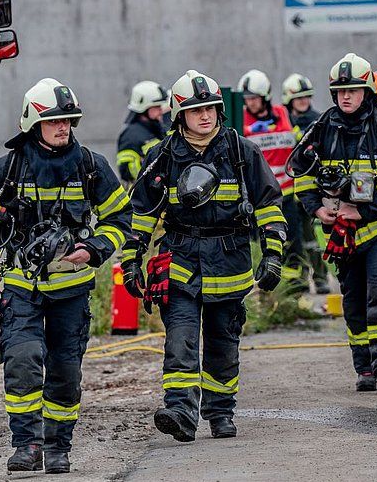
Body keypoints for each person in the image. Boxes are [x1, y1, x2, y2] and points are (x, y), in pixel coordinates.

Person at [0, 78, 132, 473]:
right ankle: (27, 444)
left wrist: (92, 248)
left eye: (69, 120)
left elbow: (120, 219)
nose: (64, 127)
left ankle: (58, 446)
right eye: (55, 120)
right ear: (32, 122)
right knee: (23, 360)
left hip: (72, 291)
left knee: (65, 370)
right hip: (22, 287)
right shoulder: (7, 171)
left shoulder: (91, 167)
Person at [123, 70, 287, 442]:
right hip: (180, 258)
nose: (206, 116)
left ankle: (220, 411)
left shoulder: (241, 152)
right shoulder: (162, 156)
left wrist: (273, 253)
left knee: (222, 343)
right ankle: (180, 411)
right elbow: (143, 214)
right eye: (196, 110)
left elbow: (268, 205)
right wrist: (131, 259)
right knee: (180, 339)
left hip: (230, 261)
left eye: (211, 108)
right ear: (179, 115)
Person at [292, 52, 377, 392]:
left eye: (354, 90)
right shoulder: (321, 129)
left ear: (368, 92)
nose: (346, 96)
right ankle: (364, 369)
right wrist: (316, 208)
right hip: (342, 235)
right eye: (340, 90)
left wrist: (363, 210)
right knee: (354, 301)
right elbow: (301, 174)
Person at [238, 69, 305, 286]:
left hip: (285, 195)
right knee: (260, 244)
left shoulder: (282, 113)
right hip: (257, 198)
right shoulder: (242, 120)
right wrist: (248, 129)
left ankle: (295, 289)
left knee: (293, 243)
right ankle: (266, 292)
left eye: (254, 98)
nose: (251, 103)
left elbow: (295, 142)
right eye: (247, 99)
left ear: (265, 97)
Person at [283, 72, 329, 293]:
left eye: (306, 97)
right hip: (290, 193)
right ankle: (299, 281)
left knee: (314, 239)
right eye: (299, 98)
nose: (303, 101)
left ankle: (320, 278)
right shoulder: (284, 123)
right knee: (295, 240)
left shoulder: (318, 121)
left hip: (312, 190)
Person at [116, 80, 169, 186]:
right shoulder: (130, 135)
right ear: (144, 108)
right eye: (157, 107)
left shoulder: (156, 129)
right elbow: (126, 171)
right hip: (142, 196)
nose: (161, 110)